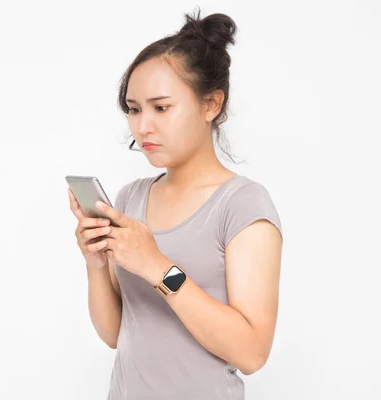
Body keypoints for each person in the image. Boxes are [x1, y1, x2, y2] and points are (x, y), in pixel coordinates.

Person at [67, 8, 283, 400]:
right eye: (134, 109)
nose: (143, 126)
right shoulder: (131, 197)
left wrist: (157, 266)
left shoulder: (244, 204)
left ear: (211, 104)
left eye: (161, 107)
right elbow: (116, 333)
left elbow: (252, 353)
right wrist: (96, 265)